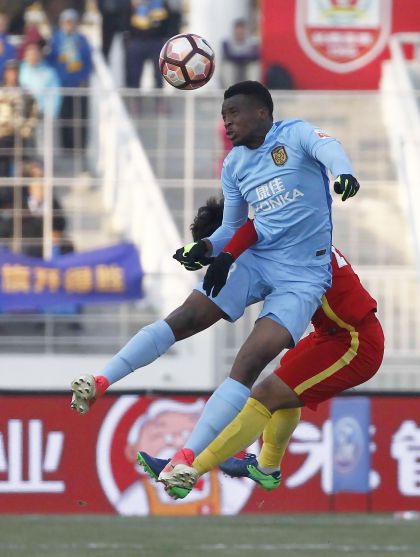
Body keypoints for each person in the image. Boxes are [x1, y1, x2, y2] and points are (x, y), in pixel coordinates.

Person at [70, 81, 360, 486]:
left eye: (234, 113)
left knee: (250, 359)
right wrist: (204, 247)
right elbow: (231, 228)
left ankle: (186, 457)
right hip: (259, 259)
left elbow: (330, 148)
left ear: (261, 112)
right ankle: (101, 380)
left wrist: (344, 173)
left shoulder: (294, 135)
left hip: (303, 276)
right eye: (224, 116)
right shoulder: (235, 165)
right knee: (187, 315)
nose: (227, 122)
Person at [137, 215, 384, 498]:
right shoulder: (289, 234)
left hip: (354, 342)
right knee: (283, 387)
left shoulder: (281, 248)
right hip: (333, 334)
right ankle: (266, 467)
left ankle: (187, 470)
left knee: (265, 395)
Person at [46, 9, 93, 150]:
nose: (68, 25)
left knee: (80, 116)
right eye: (66, 22)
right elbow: (50, 60)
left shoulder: (82, 40)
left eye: (71, 22)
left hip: (79, 85)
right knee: (65, 116)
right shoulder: (55, 40)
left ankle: (80, 147)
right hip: (61, 84)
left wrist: (84, 78)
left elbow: (88, 61)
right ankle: (66, 147)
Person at [0, 59, 38, 184]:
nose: (13, 75)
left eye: (15, 71)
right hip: (2, 136)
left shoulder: (25, 92)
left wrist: (28, 128)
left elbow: (34, 113)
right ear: (6, 73)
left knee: (24, 167)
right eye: (10, 72)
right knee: (2, 167)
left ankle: (22, 193)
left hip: (20, 135)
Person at [124, 0, 169, 89]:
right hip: (136, 40)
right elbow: (125, 16)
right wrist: (127, 38)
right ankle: (133, 97)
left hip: (157, 40)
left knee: (159, 76)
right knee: (134, 76)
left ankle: (159, 97)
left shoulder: (161, 3)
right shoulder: (132, 3)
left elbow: (169, 18)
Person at [19, 42, 62, 120]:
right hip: (22, 114)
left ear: (40, 54)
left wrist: (51, 115)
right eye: (30, 54)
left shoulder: (49, 73)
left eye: (35, 54)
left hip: (42, 115)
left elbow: (55, 95)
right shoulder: (19, 70)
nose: (32, 57)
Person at [221, 19, 260, 88]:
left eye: (242, 31)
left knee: (254, 66)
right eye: (238, 31)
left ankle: (252, 89)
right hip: (234, 66)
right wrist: (244, 56)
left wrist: (239, 57)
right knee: (227, 66)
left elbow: (255, 56)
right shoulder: (227, 42)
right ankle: (230, 89)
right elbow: (228, 56)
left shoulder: (253, 42)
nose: (240, 33)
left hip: (247, 65)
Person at [0, 13, 17, 81]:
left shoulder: (11, 43)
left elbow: (13, 62)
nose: (1, 25)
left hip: (5, 79)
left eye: (2, 23)